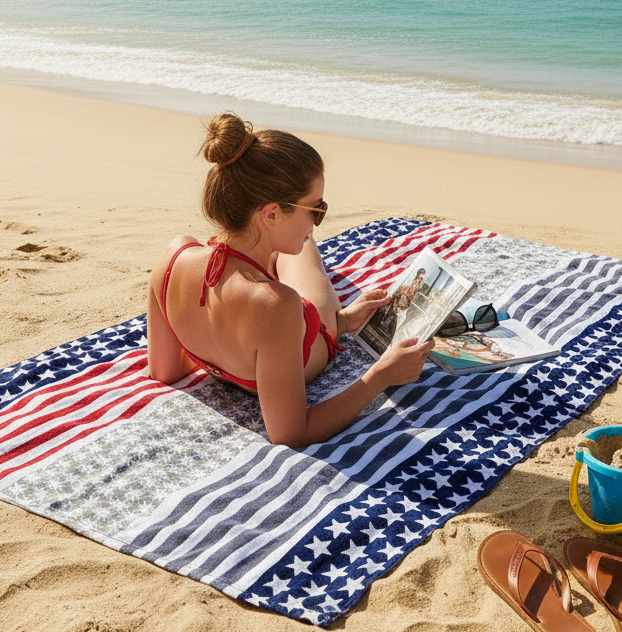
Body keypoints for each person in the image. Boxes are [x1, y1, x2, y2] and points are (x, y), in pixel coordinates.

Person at [147, 112, 432, 447]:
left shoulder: (173, 257)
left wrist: (219, 338)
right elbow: (291, 434)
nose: (317, 220)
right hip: (313, 333)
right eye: (316, 209)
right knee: (302, 246)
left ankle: (278, 249)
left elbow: (165, 372)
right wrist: (381, 376)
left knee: (285, 243)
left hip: (263, 295)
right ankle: (299, 271)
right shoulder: (277, 305)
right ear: (271, 213)